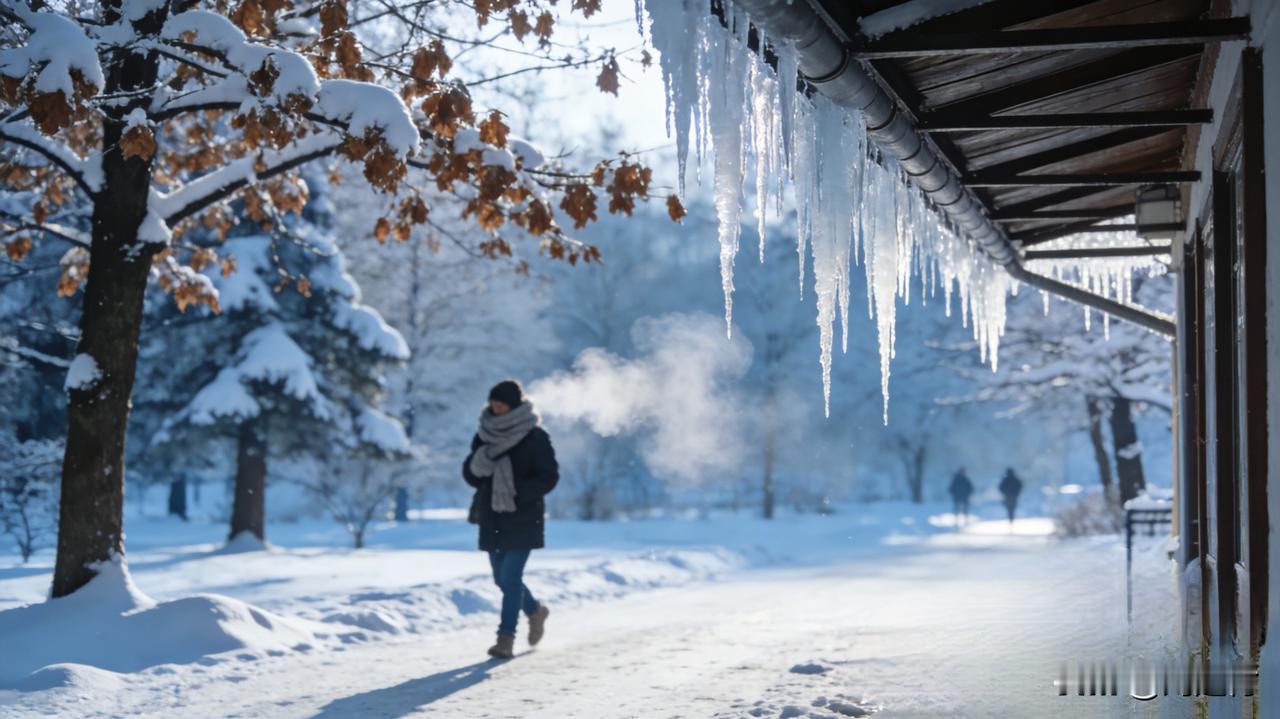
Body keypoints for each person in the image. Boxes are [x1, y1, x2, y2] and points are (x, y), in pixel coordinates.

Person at [463, 379, 559, 659]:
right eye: (493, 402)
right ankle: (535, 610)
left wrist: (519, 492)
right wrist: (479, 464)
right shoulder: (484, 433)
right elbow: (471, 475)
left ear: (513, 405)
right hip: (492, 516)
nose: (496, 407)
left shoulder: (535, 436)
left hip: (523, 516)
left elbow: (549, 476)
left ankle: (505, 639)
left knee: (511, 576)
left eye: (501, 403)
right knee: (501, 579)